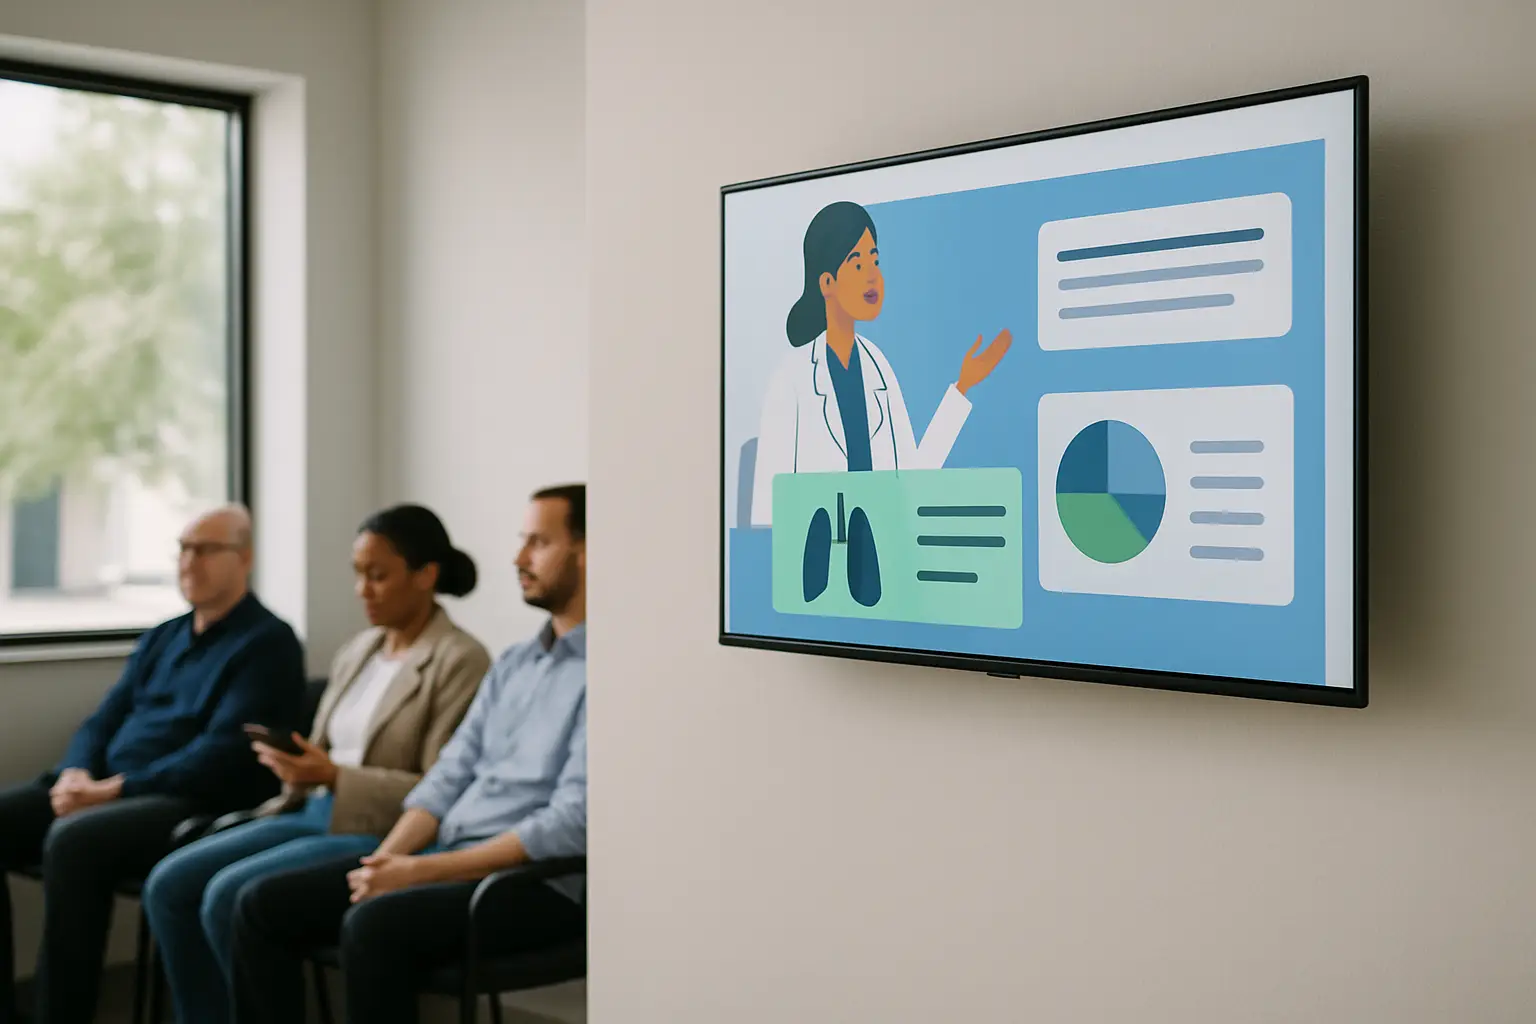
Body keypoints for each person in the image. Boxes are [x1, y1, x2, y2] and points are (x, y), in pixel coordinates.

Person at [227, 485, 588, 1024]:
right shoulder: (515, 664)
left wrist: (424, 872)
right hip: (449, 856)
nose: (518, 558)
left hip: (533, 884)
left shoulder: (610, 670)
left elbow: (567, 824)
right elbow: (446, 777)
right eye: (522, 541)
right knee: (260, 906)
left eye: (538, 542)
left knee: (374, 927)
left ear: (587, 552)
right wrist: (389, 862)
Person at [141, 505, 492, 1024]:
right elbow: (327, 752)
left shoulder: (460, 660)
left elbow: (441, 788)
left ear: (426, 576)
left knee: (226, 896)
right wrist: (299, 767)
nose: (362, 590)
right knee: (168, 885)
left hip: (383, 828)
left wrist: (334, 776)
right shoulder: (359, 650)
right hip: (310, 809)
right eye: (357, 574)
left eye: (378, 575)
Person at [0, 505, 305, 1024]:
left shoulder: (268, 643)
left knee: (75, 843)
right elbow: (102, 720)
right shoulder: (165, 635)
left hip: (188, 801)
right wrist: (77, 772)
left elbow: (220, 756)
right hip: (105, 787)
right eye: (184, 548)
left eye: (206, 549)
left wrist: (113, 791)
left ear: (245, 558)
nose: (189, 561)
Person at [750, 200, 1013, 526]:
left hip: (881, 559)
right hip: (817, 569)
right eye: (857, 264)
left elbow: (911, 481)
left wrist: (963, 387)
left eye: (875, 261)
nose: (873, 277)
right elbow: (766, 518)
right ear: (827, 283)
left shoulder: (878, 368)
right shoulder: (791, 379)